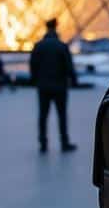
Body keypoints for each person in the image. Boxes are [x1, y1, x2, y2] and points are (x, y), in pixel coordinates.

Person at [29, 19, 77, 153]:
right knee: (62, 115)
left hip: (43, 86)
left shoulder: (38, 46)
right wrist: (74, 80)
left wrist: (34, 80)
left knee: (43, 116)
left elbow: (33, 65)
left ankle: (43, 143)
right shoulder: (61, 46)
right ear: (56, 28)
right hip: (60, 86)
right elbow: (69, 66)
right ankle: (64, 143)